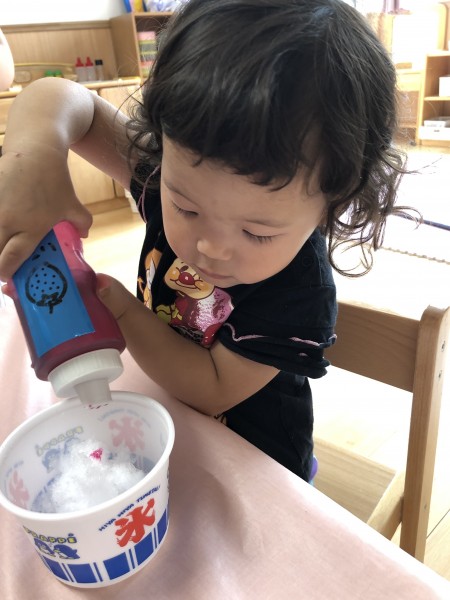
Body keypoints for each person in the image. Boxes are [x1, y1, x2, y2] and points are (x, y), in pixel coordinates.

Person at [0, 0, 409, 482]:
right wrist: (34, 155)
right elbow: (69, 103)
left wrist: (123, 311)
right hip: (167, 418)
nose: (210, 247)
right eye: (185, 207)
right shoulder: (163, 176)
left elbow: (212, 388)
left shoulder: (300, 293)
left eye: (257, 232)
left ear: (332, 204)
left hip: (255, 464)